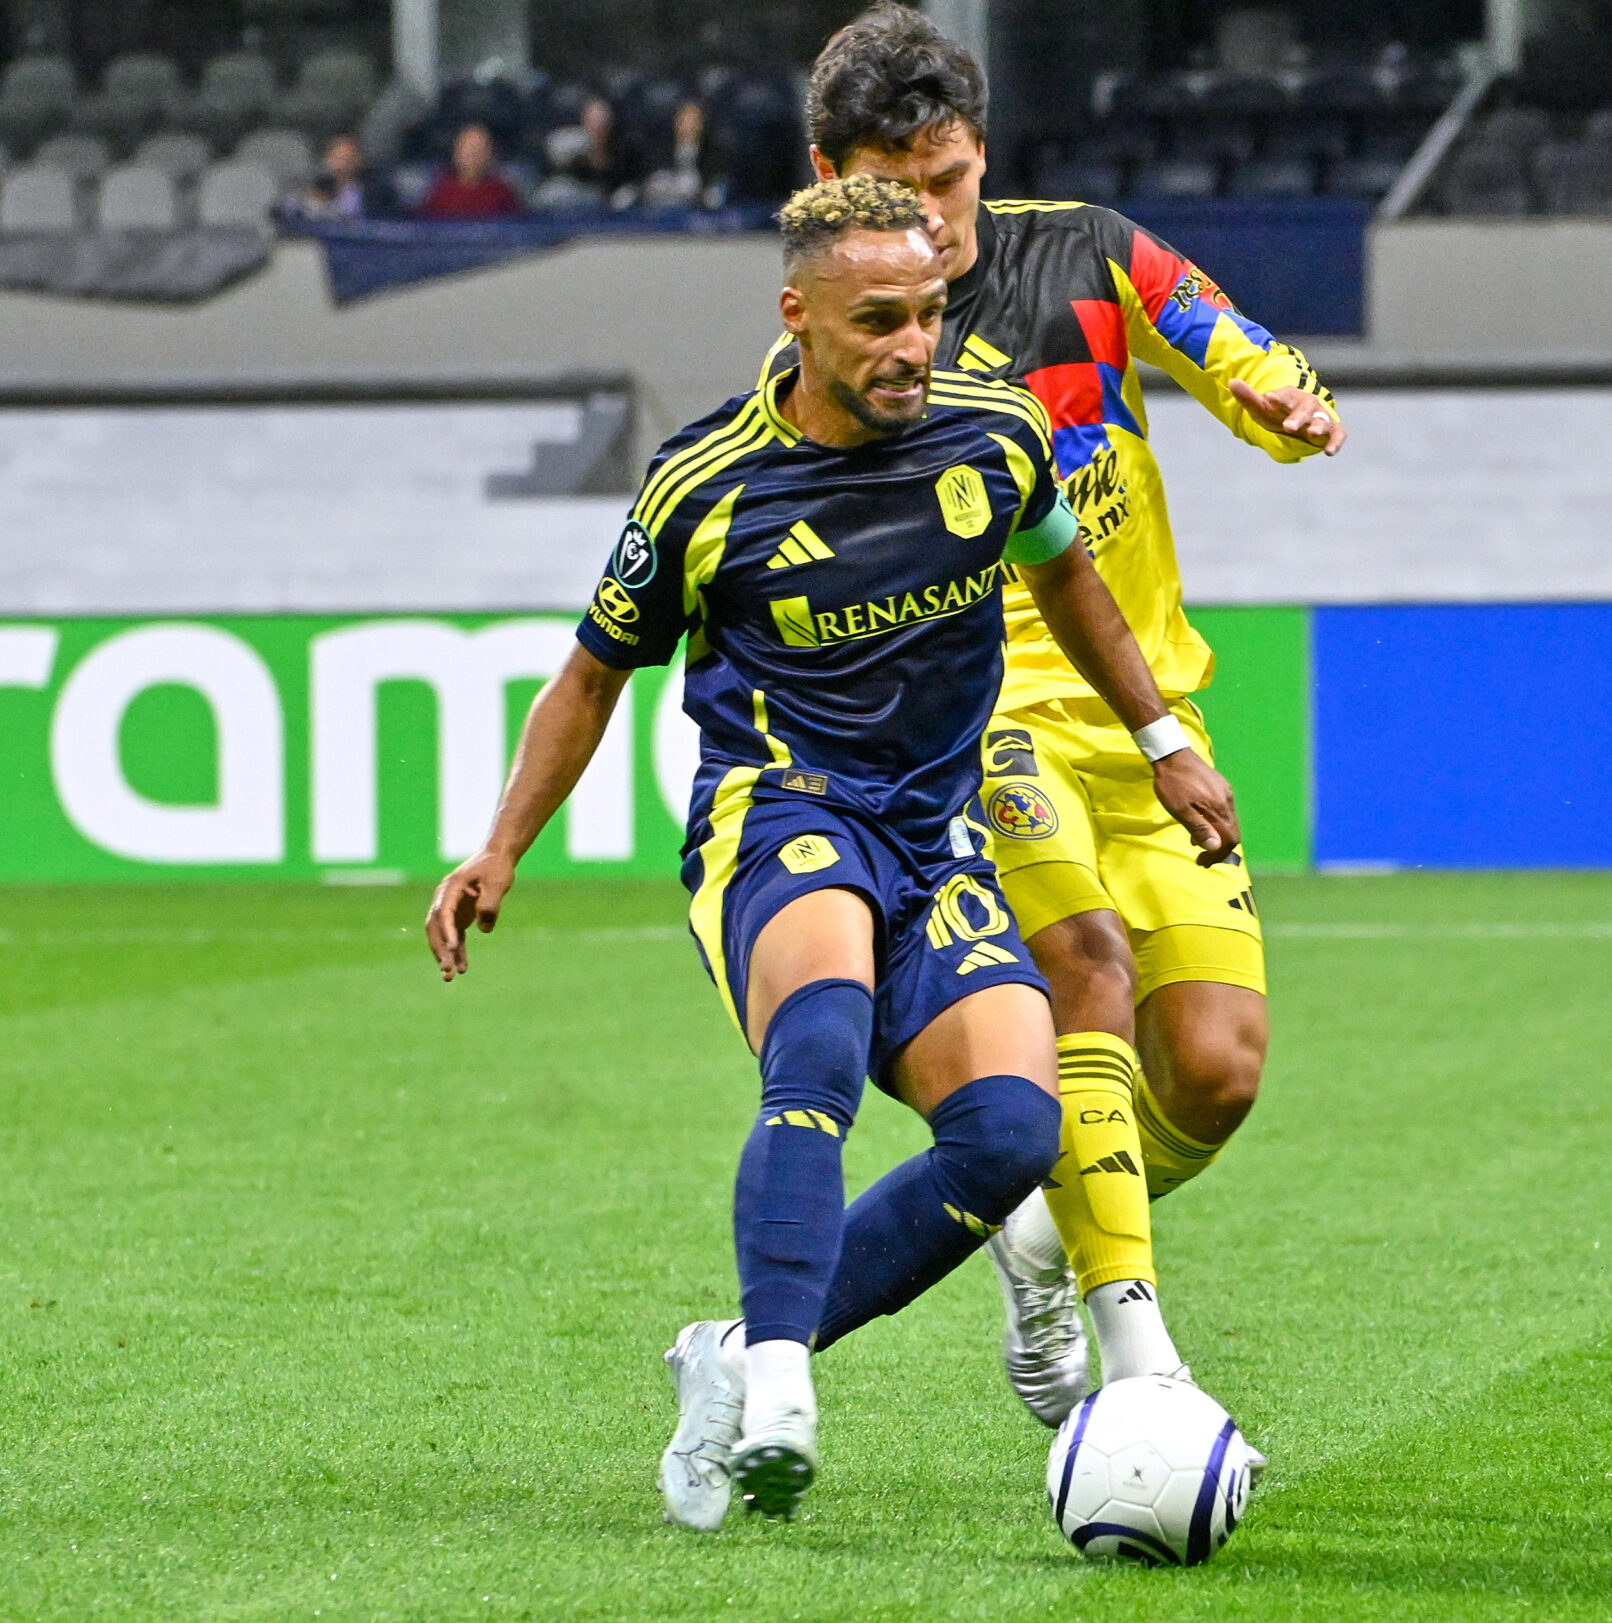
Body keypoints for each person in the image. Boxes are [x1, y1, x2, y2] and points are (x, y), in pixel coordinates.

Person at [422, 173, 1242, 1528]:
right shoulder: (705, 481)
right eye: (878, 322)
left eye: (927, 314)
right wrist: (500, 848)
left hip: (934, 831)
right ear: (798, 316)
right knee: (818, 1040)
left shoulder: (997, 431)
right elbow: (589, 674)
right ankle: (784, 1395)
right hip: (781, 812)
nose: (913, 345)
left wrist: (1160, 737)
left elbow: (1065, 577)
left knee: (1009, 1133)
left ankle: (732, 1353)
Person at [788, 4, 1343, 1426]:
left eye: (951, 179)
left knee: (1214, 1069)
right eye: (897, 191)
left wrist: (1281, 397)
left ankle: (1039, 1223)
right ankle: (1142, 1361)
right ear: (831, 179)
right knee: (1085, 965)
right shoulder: (856, 345)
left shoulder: (1088, 249)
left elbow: (1227, 339)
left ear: (983, 152)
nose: (934, 220)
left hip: (1147, 708)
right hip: (985, 721)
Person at [418, 121, 522, 220]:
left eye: (479, 149)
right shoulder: (440, 192)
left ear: (490, 154)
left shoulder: (501, 193)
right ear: (456, 152)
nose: (473, 155)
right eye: (467, 149)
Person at [639, 98, 720, 211]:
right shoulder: (659, 151)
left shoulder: (712, 154)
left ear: (702, 124)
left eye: (694, 120)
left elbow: (712, 188)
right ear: (676, 121)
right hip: (662, 210)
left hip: (695, 212)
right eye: (685, 119)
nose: (689, 125)